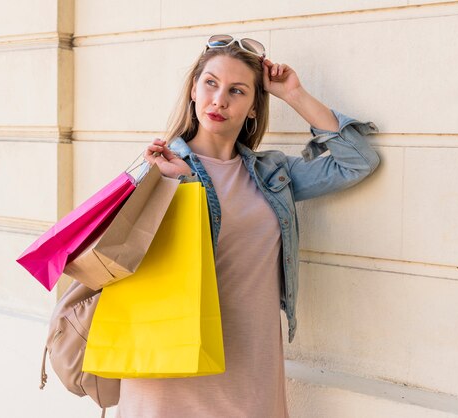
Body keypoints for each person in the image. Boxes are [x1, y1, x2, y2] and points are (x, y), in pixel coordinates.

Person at [129, 34, 381, 418]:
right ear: (194, 90)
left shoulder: (272, 174)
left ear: (252, 107)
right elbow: (132, 262)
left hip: (251, 360)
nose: (219, 100)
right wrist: (178, 185)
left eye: (237, 91)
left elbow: (358, 161)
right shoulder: (159, 165)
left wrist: (294, 94)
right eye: (210, 83)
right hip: (173, 357)